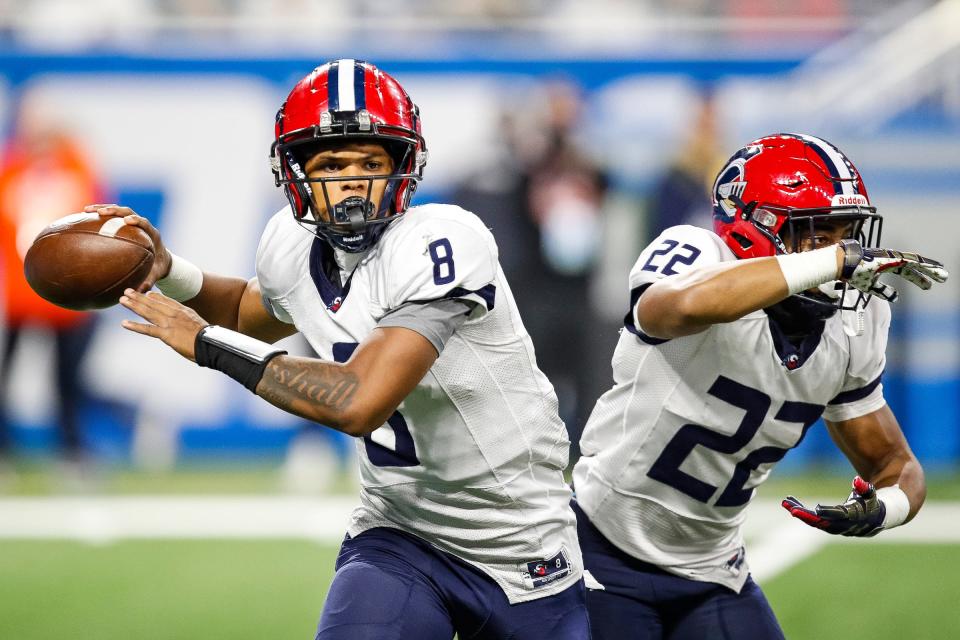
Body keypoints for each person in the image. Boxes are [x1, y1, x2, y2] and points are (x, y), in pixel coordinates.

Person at [86, 59, 589, 639]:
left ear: (404, 166)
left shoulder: (444, 241)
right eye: (329, 163)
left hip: (522, 546)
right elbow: (252, 314)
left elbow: (360, 401)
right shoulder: (290, 245)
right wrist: (172, 271)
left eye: (370, 162)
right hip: (401, 533)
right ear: (295, 173)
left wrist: (203, 343)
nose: (350, 179)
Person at [571, 133, 948, 639]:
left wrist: (885, 508)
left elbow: (896, 467)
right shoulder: (697, 252)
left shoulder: (856, 322)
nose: (846, 253)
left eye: (849, 234)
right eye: (820, 234)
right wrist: (831, 261)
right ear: (756, 231)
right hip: (602, 546)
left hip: (713, 567)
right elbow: (675, 307)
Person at [0, 102, 105, 472]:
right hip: (18, 295)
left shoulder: (73, 165)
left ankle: (71, 449)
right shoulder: (12, 169)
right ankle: (6, 450)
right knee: (6, 377)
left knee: (67, 381)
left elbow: (94, 214)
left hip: (64, 295)